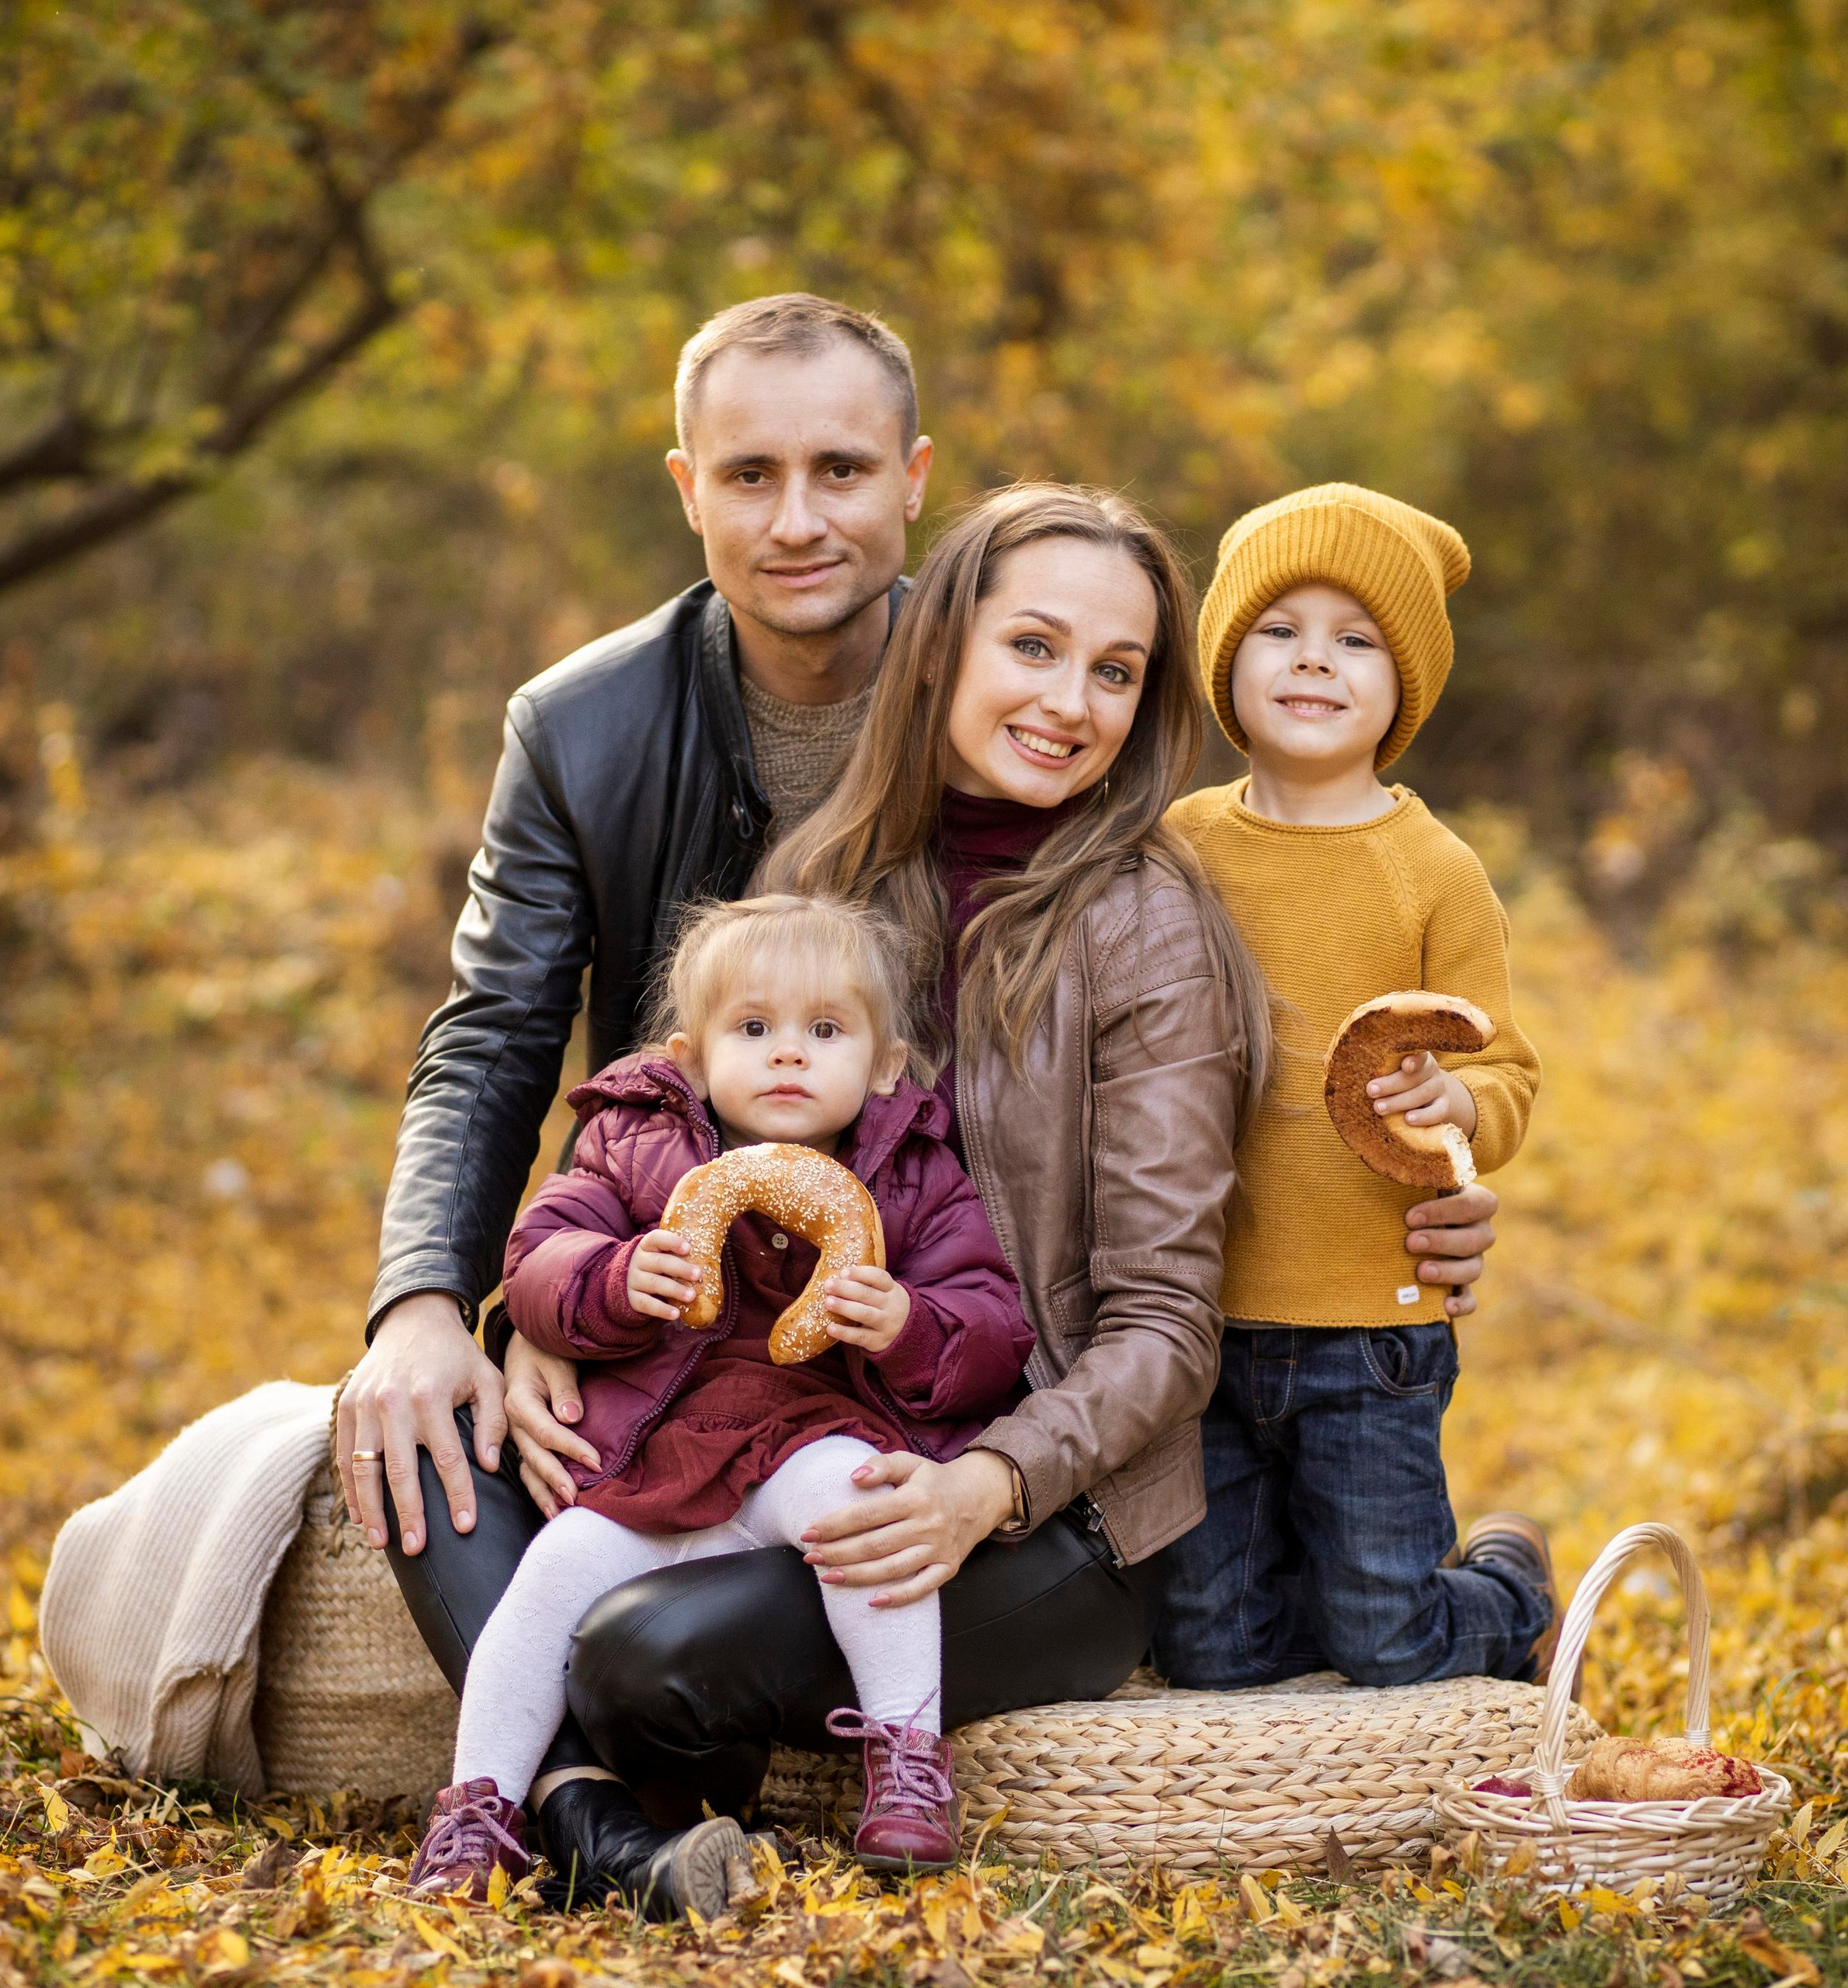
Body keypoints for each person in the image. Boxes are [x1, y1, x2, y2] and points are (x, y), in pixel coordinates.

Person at [335, 291, 1499, 1906]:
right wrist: (558, 1311)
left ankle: (599, 1772)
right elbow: (658, 1121)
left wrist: (986, 1484)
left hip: (1043, 1507)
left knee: (650, 1652)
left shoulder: (1147, 929)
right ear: (943, 640)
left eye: (1115, 671)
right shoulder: (821, 874)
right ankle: (600, 1819)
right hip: (777, 1424)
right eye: (1031, 648)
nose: (1068, 703)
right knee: (435, 1438)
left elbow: (1165, 1324)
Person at [406, 895, 1032, 1902]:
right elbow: (537, 1260)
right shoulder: (633, 1146)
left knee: (871, 1512)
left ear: (884, 1065)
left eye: (824, 1030)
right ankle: (479, 1812)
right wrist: (615, 1279)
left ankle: (907, 1759)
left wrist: (908, 1322)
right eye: (753, 1028)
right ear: (692, 1059)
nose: (788, 1054)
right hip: (660, 1455)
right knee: (549, 1578)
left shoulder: (913, 1178)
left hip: (814, 1437)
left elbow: (994, 1328)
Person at [1153, 482, 1561, 1694]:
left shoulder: (1432, 871)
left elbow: (1506, 1066)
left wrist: (1460, 1108)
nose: (1313, 660)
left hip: (1373, 1325)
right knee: (1210, 1648)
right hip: (1206, 1318)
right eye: (1279, 630)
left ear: (1405, 685)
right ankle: (1323, 1603)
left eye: (1356, 640)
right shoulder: (1181, 846)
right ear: (1227, 662)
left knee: (1389, 1639)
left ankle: (1512, 1590)